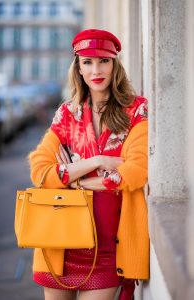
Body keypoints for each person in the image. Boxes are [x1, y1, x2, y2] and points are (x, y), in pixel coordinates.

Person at [29, 29, 149, 300]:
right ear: (78, 68)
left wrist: (76, 179)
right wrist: (99, 161)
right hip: (60, 243)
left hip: (108, 249)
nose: (96, 69)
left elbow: (136, 172)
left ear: (115, 64)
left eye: (104, 61)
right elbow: (40, 171)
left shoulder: (137, 111)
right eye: (88, 62)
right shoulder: (67, 114)